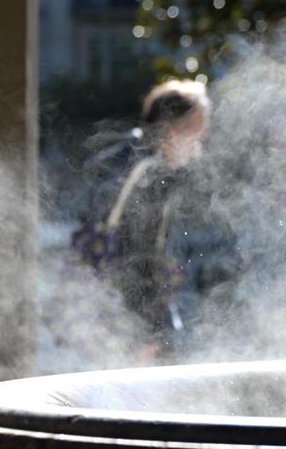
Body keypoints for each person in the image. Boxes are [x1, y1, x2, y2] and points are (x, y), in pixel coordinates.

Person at [70, 79, 210, 361]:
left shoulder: (137, 158)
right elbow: (132, 257)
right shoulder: (149, 174)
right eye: (199, 128)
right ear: (174, 132)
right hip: (122, 316)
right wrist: (146, 335)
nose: (204, 136)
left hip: (111, 311)